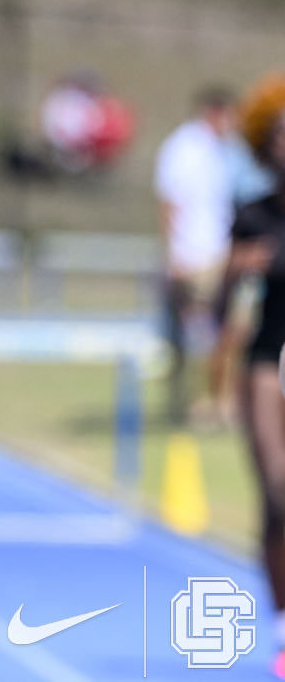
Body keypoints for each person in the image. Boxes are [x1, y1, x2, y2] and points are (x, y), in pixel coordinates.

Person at [218, 74, 285, 678]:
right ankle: (283, 626)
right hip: (267, 362)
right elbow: (224, 312)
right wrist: (239, 273)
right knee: (279, 492)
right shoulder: (252, 215)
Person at [155, 87, 236, 425]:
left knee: (222, 333)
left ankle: (216, 401)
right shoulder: (184, 148)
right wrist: (174, 252)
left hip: (218, 252)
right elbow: (169, 202)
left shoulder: (220, 151)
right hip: (194, 255)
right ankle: (194, 403)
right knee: (197, 334)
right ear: (214, 112)